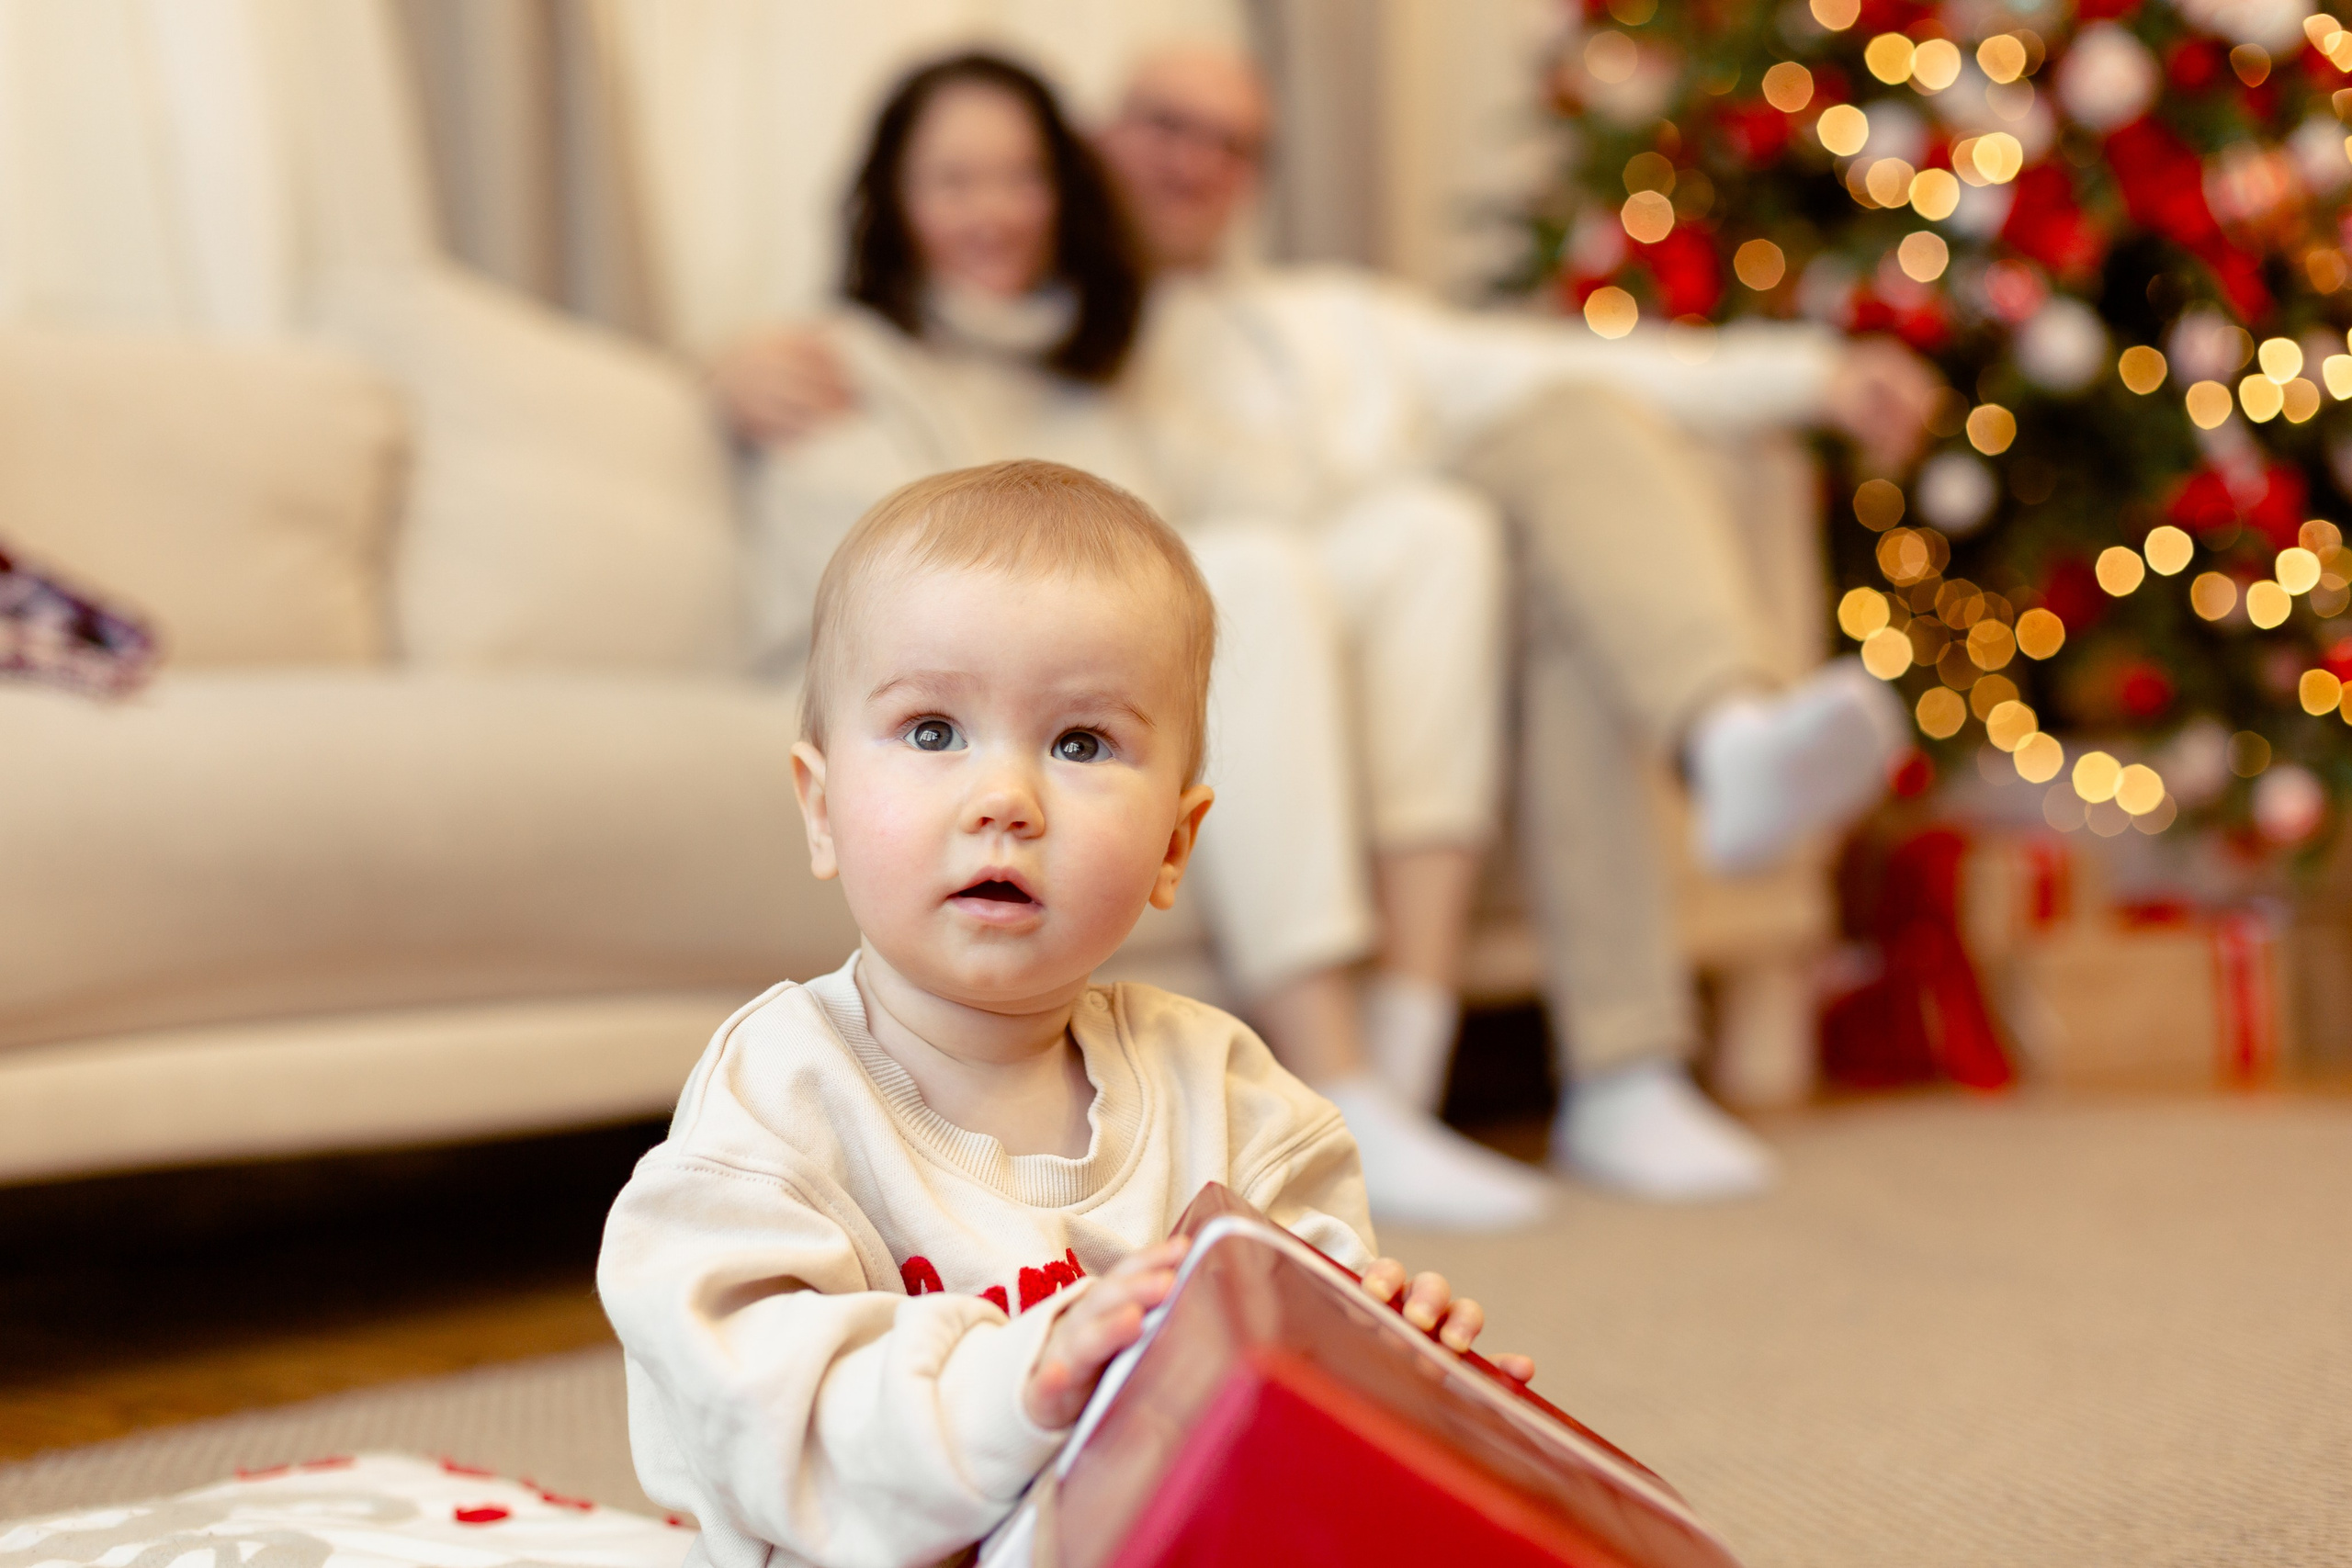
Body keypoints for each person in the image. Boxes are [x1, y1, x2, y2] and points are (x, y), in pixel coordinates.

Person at [599, 459, 1527, 1568]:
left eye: (1079, 744)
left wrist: (1386, 1351)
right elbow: (751, 1409)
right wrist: (1012, 1385)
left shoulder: (1225, 1090)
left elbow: (1289, 1362)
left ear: (1174, 844)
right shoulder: (778, 1094)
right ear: (822, 807)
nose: (1006, 800)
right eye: (932, 731)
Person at [1085, 44, 1937, 1200]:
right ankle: (1457, 1075)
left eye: (1231, 144)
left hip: (1428, 631)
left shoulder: (1330, 325)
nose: (1196, 162)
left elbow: (1574, 361)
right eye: (1165, 125)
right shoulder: (1051, 332)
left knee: (1565, 423)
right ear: (1096, 135)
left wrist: (1815, 377)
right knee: (1397, 546)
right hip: (1264, 641)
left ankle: (1704, 802)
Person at [717, 52, 1550, 1230]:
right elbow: (881, 601)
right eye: (953, 180)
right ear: (893, 201)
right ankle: (1338, 1077)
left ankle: (1401, 1071)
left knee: (1431, 532)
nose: (992, 211)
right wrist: (710, 367)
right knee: (1247, 576)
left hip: (1101, 662)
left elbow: (1260, 491)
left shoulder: (1103, 366)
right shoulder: (844, 365)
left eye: (1019, 178)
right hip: (924, 676)